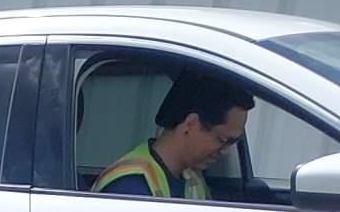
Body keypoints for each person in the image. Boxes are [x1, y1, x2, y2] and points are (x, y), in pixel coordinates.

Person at [93, 72, 254, 198]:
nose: (224, 151)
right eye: (222, 140)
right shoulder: (131, 187)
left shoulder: (192, 178)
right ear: (191, 124)